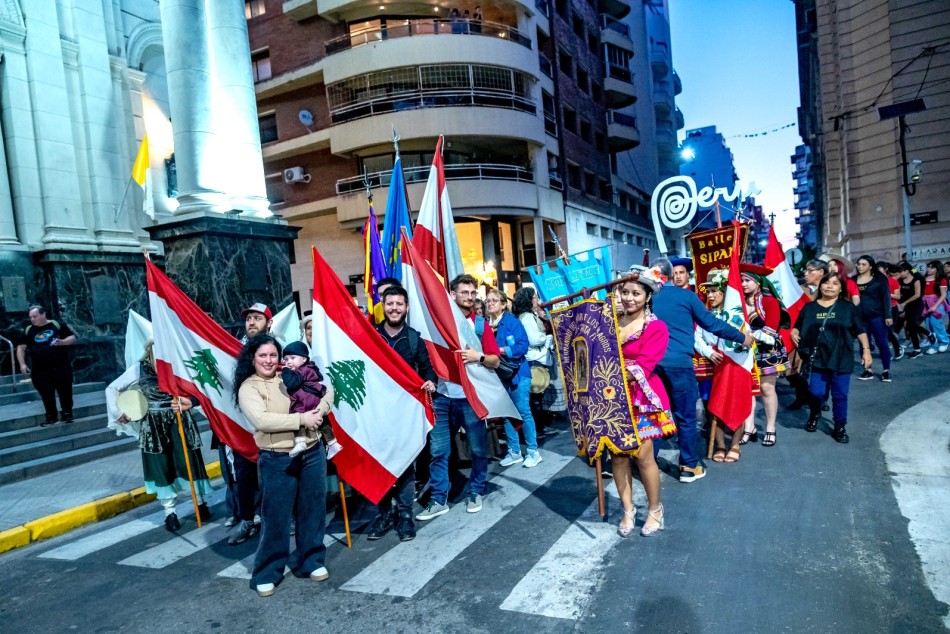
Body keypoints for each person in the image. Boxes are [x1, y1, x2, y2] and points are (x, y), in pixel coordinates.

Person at [234, 335, 333, 598]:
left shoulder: (291, 373)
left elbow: (325, 389)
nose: (269, 360)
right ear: (252, 359)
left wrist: (319, 412)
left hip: (312, 452)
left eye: (273, 355)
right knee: (276, 516)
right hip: (277, 458)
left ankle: (311, 561)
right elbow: (262, 420)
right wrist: (302, 417)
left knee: (313, 509)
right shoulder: (249, 387)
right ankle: (267, 572)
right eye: (262, 356)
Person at [650, 258, 753, 483]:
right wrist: (741, 337)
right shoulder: (686, 296)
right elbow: (711, 324)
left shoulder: (648, 298)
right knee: (686, 416)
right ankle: (689, 466)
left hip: (652, 366)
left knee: (656, 415)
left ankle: (648, 462)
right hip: (679, 365)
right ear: (669, 275)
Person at [416, 274, 501, 521]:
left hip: (470, 397)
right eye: (464, 292)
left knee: (477, 448)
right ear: (452, 295)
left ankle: (475, 490)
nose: (469, 297)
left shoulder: (480, 325)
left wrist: (479, 357)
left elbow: (495, 360)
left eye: (473, 293)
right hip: (442, 396)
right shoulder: (439, 324)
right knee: (439, 450)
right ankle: (439, 499)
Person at [106, 344, 212, 531]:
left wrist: (190, 401)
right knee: (160, 465)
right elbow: (112, 388)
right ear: (150, 350)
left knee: (188, 461)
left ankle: (200, 503)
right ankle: (169, 512)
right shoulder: (139, 369)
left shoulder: (179, 364)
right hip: (153, 424)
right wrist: (118, 412)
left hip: (180, 420)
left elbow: (199, 387)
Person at [368, 285, 437, 542]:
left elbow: (428, 368)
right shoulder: (372, 336)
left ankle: (405, 516)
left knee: (406, 465)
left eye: (399, 304)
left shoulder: (414, 338)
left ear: (406, 307)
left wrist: (430, 382)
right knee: (381, 465)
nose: (394, 308)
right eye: (390, 304)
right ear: (383, 307)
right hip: (376, 413)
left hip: (405, 414)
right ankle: (384, 515)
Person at [614, 266, 675, 536]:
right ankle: (628, 510)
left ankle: (655, 509)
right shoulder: (610, 322)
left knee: (643, 456)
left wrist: (608, 372)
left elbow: (645, 365)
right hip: (611, 398)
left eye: (636, 293)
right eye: (624, 291)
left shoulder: (656, 327)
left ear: (648, 296)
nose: (629, 298)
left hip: (641, 397)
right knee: (617, 456)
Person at [793, 274, 872, 443]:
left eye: (835, 283)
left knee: (840, 395)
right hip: (818, 357)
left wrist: (866, 350)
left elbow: (860, 330)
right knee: (816, 392)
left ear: (841, 288)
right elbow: (798, 326)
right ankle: (815, 412)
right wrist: (794, 332)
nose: (830, 286)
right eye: (826, 282)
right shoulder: (810, 308)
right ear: (820, 286)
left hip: (842, 356)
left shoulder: (848, 308)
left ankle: (839, 426)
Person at [485, 287, 542, 469]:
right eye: (488, 301)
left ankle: (533, 451)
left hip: (518, 374)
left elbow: (522, 346)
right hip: (499, 375)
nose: (490, 303)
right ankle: (514, 451)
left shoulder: (512, 322)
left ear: (503, 304)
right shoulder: (485, 325)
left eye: (494, 300)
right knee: (507, 413)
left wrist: (499, 351)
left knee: (523, 411)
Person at [694, 269, 747, 463]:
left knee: (737, 402)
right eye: (708, 292)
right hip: (713, 367)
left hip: (735, 365)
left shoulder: (738, 314)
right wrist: (709, 352)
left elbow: (746, 339)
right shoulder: (704, 315)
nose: (711, 295)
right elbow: (697, 338)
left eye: (715, 291)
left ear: (725, 292)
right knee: (713, 407)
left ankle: (734, 444)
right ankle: (720, 445)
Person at [740, 264, 790, 448]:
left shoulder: (770, 302)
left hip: (766, 350)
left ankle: (770, 428)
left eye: (747, 280)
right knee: (746, 390)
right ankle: (749, 427)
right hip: (745, 350)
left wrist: (747, 336)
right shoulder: (738, 301)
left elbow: (770, 331)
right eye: (742, 280)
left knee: (767, 389)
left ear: (758, 282)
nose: (744, 284)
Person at [16, 305, 77, 426]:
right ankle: (51, 416)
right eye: (30, 317)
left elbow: (73, 337)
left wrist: (63, 342)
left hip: (60, 366)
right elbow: (21, 348)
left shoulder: (57, 325)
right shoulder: (29, 330)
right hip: (40, 369)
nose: (32, 319)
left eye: (35, 316)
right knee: (46, 393)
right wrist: (22, 364)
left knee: (65, 391)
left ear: (43, 314)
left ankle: (67, 413)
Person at [280, 341, 341, 459]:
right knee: (322, 420)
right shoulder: (311, 368)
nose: (288, 362)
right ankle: (332, 443)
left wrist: (286, 371)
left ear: (304, 359)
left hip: (304, 398)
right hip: (315, 398)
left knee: (297, 415)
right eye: (286, 359)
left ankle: (300, 442)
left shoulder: (301, 371)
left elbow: (291, 383)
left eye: (293, 358)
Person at [512, 286, 555, 436]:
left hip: (534, 358)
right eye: (535, 297)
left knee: (535, 397)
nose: (537, 300)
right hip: (534, 359)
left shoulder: (526, 316)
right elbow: (534, 339)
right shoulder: (527, 317)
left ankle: (538, 427)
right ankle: (538, 429)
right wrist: (548, 338)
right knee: (535, 396)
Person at [853, 255, 893, 381]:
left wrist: (888, 315)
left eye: (863, 264)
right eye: (859, 264)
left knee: (882, 343)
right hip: (860, 318)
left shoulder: (879, 279)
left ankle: (886, 371)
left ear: (870, 266)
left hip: (877, 317)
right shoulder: (853, 280)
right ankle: (868, 370)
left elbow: (886, 297)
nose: (860, 266)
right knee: (864, 345)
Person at [895, 262, 927, 359]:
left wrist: (904, 303)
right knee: (909, 325)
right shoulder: (900, 279)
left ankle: (927, 335)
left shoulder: (914, 271)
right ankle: (917, 348)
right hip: (906, 306)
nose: (899, 273)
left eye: (900, 271)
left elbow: (918, 278)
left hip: (916, 304)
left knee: (911, 325)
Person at [922, 260, 949, 354]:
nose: (929, 269)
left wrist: (935, 306)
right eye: (928, 267)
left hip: (937, 303)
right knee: (928, 324)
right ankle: (933, 344)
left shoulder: (941, 280)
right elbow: (914, 272)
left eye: (932, 267)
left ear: (937, 269)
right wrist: (910, 267)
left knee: (935, 323)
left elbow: (943, 295)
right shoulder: (924, 278)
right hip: (925, 303)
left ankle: (944, 341)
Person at [878, 261, 904, 359]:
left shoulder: (893, 280)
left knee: (888, 331)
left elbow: (897, 296)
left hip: (892, 309)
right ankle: (887, 350)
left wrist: (886, 294)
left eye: (880, 268)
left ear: (885, 269)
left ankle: (898, 348)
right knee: (882, 332)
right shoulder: (875, 281)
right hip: (880, 310)